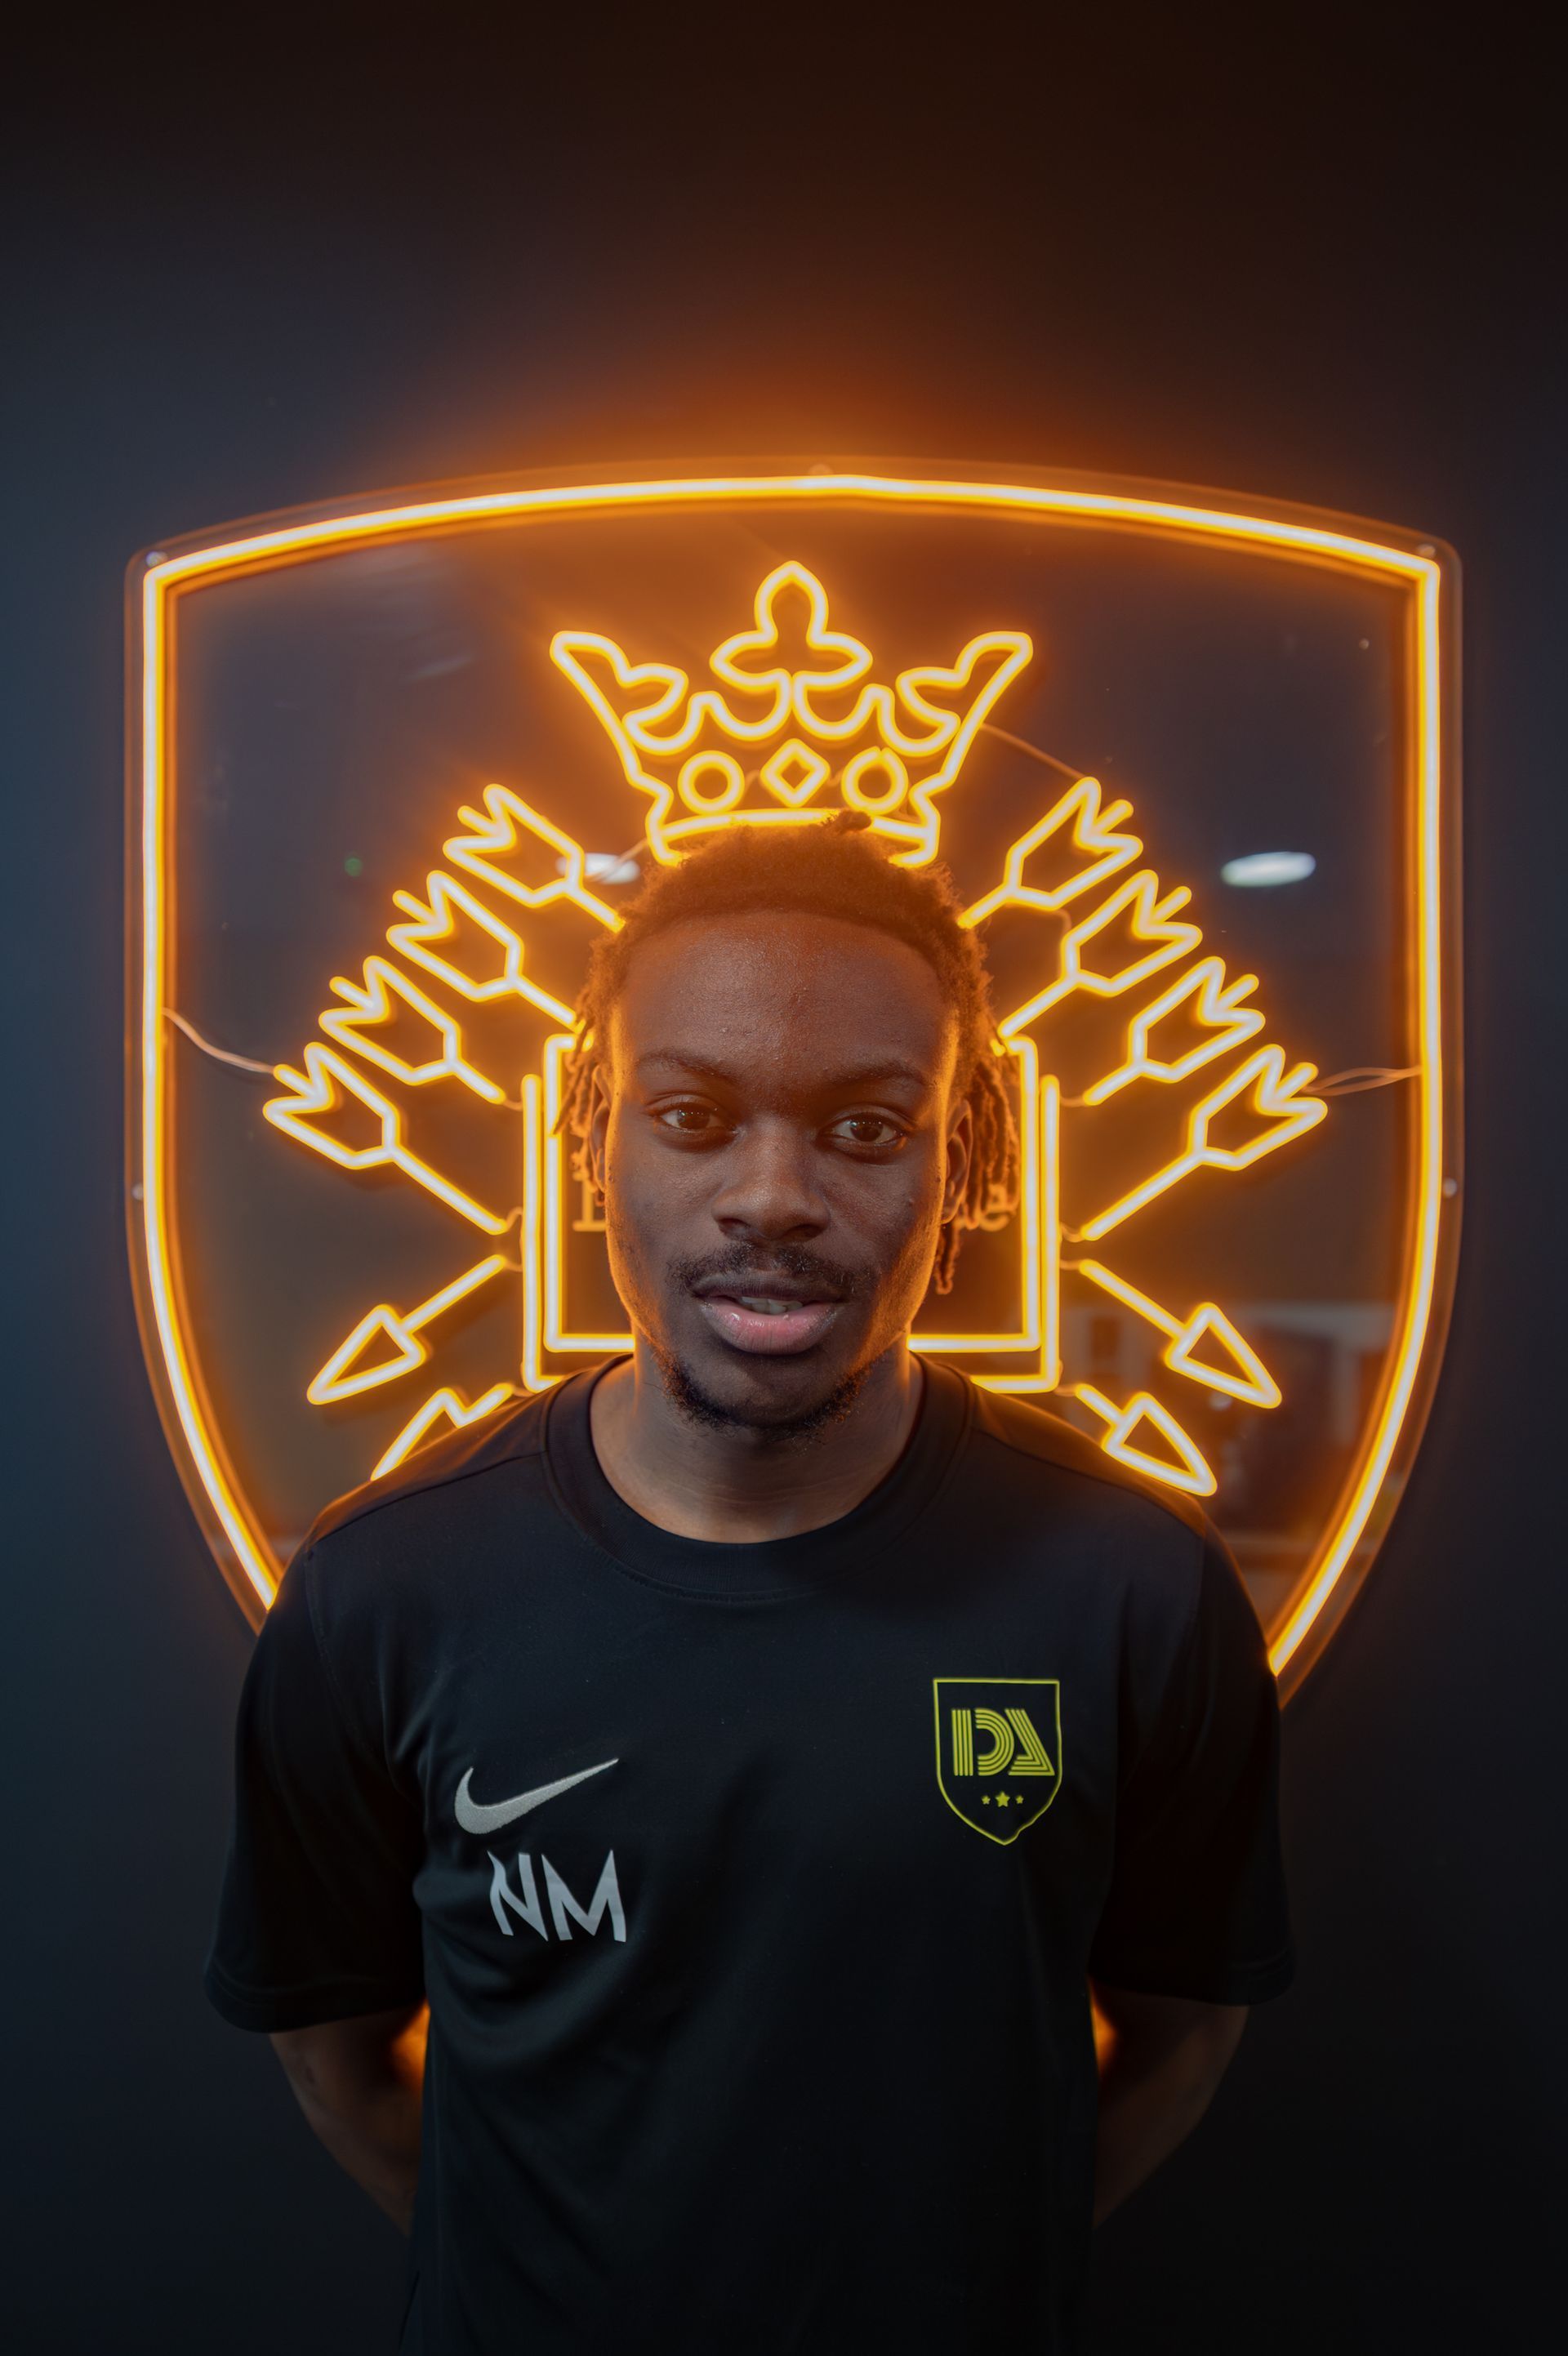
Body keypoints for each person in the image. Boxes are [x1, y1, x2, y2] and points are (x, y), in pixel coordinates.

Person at [206, 815, 1292, 2354]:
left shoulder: (1133, 1589)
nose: (772, 1196)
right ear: (594, 1139)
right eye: (695, 1113)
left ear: (967, 1156)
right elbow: (336, 2059)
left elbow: (1181, 2039)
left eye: (864, 1127)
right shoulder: (385, 1588)